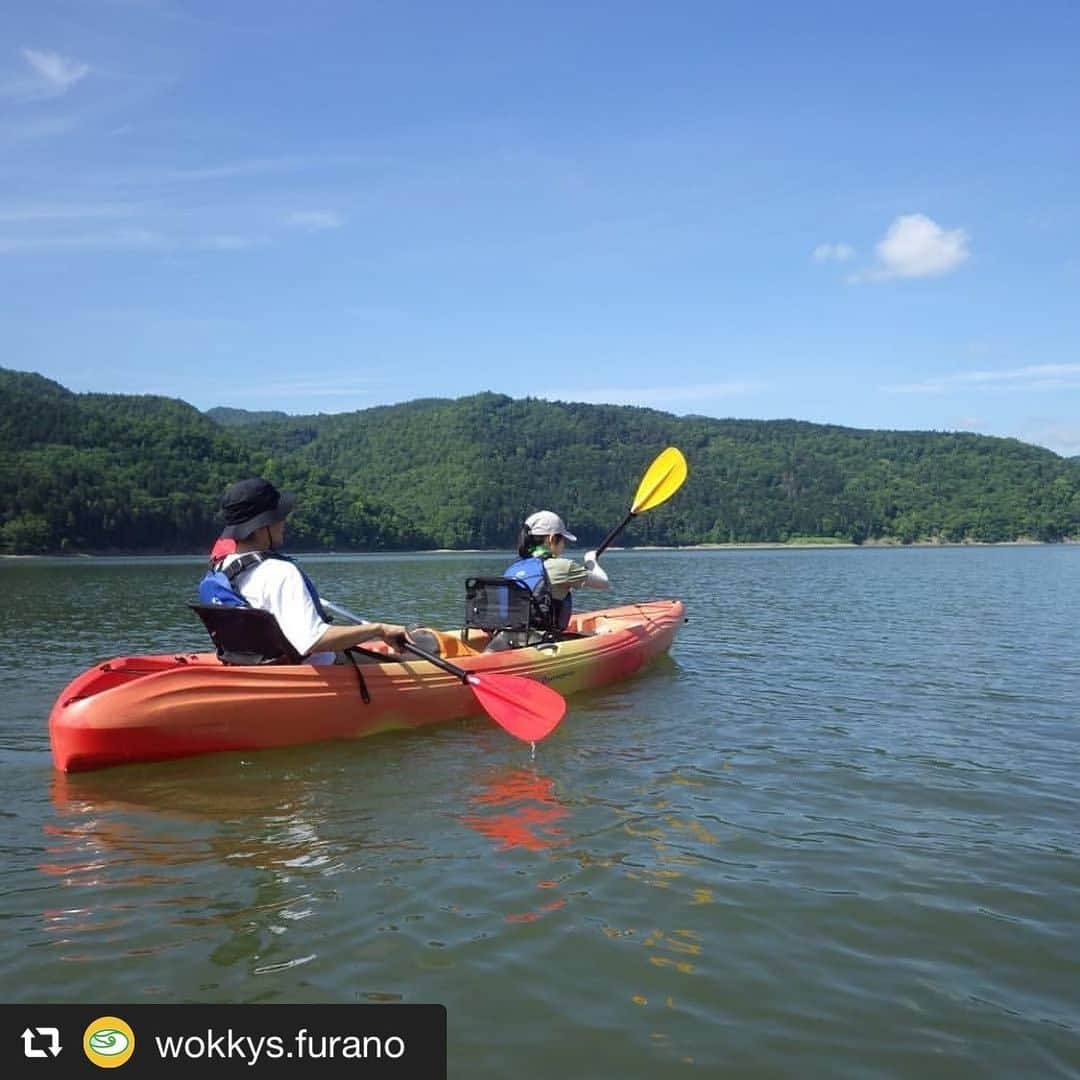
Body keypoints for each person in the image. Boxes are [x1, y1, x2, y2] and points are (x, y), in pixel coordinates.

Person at [199, 477, 409, 665]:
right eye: (279, 517)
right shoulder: (280, 572)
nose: (284, 522)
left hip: (258, 667)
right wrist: (378, 629)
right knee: (407, 661)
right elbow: (313, 640)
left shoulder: (222, 569)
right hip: (319, 670)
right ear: (263, 526)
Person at [505, 510, 610, 633]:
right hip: (543, 641)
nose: (564, 545)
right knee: (604, 630)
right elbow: (604, 583)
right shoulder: (564, 566)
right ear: (552, 538)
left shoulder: (513, 569)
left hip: (511, 636)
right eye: (563, 540)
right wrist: (591, 562)